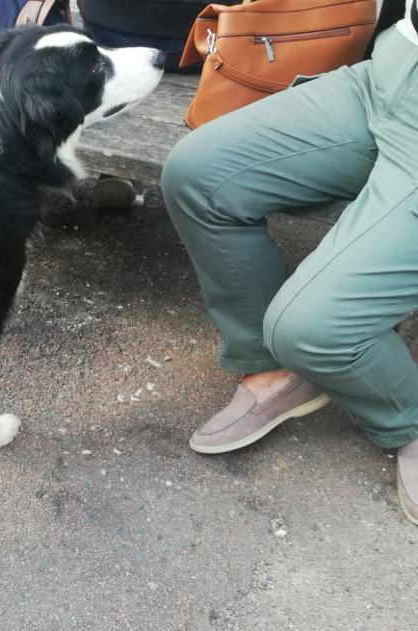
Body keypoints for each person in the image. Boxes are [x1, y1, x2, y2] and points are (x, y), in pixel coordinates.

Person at [161, 0, 418, 526]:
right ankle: (279, 368)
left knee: (311, 328)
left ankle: (407, 417)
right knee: (198, 175)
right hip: (396, 70)